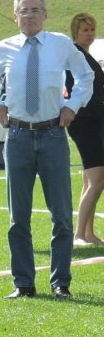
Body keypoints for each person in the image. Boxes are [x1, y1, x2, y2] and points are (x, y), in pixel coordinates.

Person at [0, 0, 94, 300]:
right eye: (23, 11)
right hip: (17, 135)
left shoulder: (60, 44)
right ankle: (23, 284)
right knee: (18, 216)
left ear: (45, 15)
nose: (29, 15)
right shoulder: (4, 48)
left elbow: (85, 76)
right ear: (15, 17)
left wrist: (72, 106)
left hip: (53, 134)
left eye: (35, 10)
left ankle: (61, 283)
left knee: (60, 214)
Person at [65, 13, 104, 246]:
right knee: (98, 180)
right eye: (85, 30)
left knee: (91, 181)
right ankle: (80, 234)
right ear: (75, 33)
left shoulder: (85, 55)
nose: (89, 34)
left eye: (92, 29)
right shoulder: (77, 56)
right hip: (85, 122)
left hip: (92, 121)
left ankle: (88, 233)